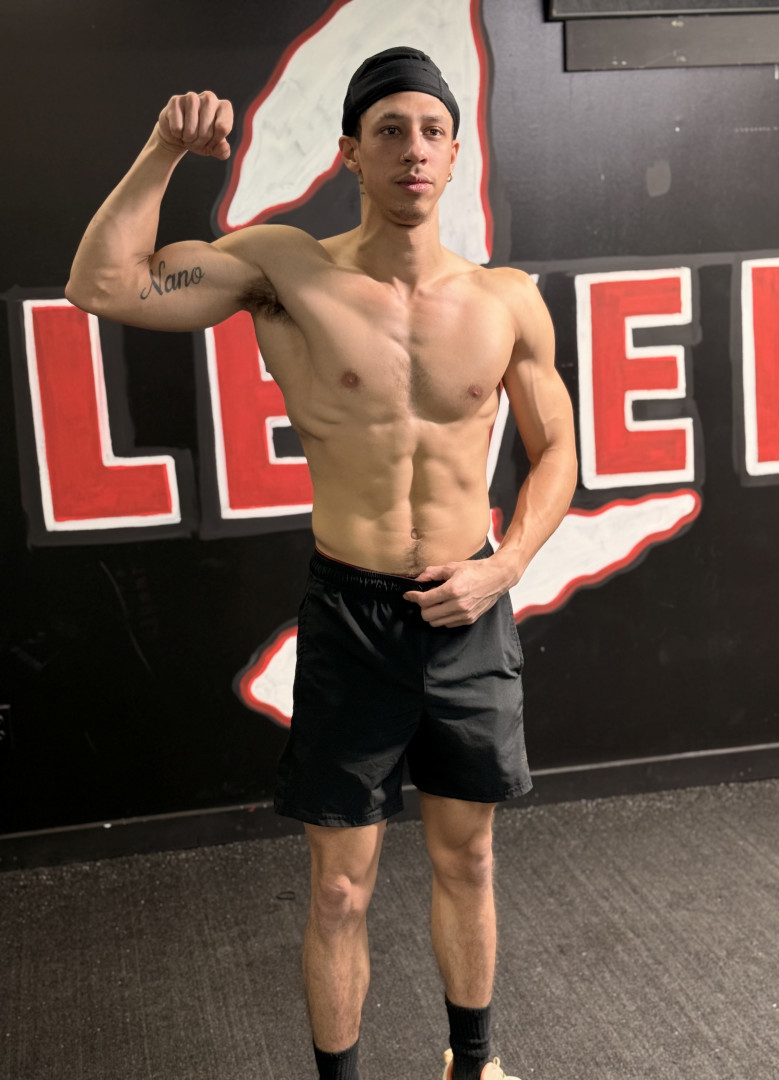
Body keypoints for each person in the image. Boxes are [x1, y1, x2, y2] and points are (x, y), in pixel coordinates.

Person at [66, 45, 577, 1080]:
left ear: (456, 152)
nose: (413, 150)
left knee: (470, 856)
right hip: (354, 616)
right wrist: (164, 150)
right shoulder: (286, 270)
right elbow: (103, 284)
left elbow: (558, 447)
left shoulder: (506, 299)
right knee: (341, 888)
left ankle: (472, 1063)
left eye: (432, 131)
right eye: (389, 130)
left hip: (468, 609)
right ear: (349, 152)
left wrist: (507, 564)